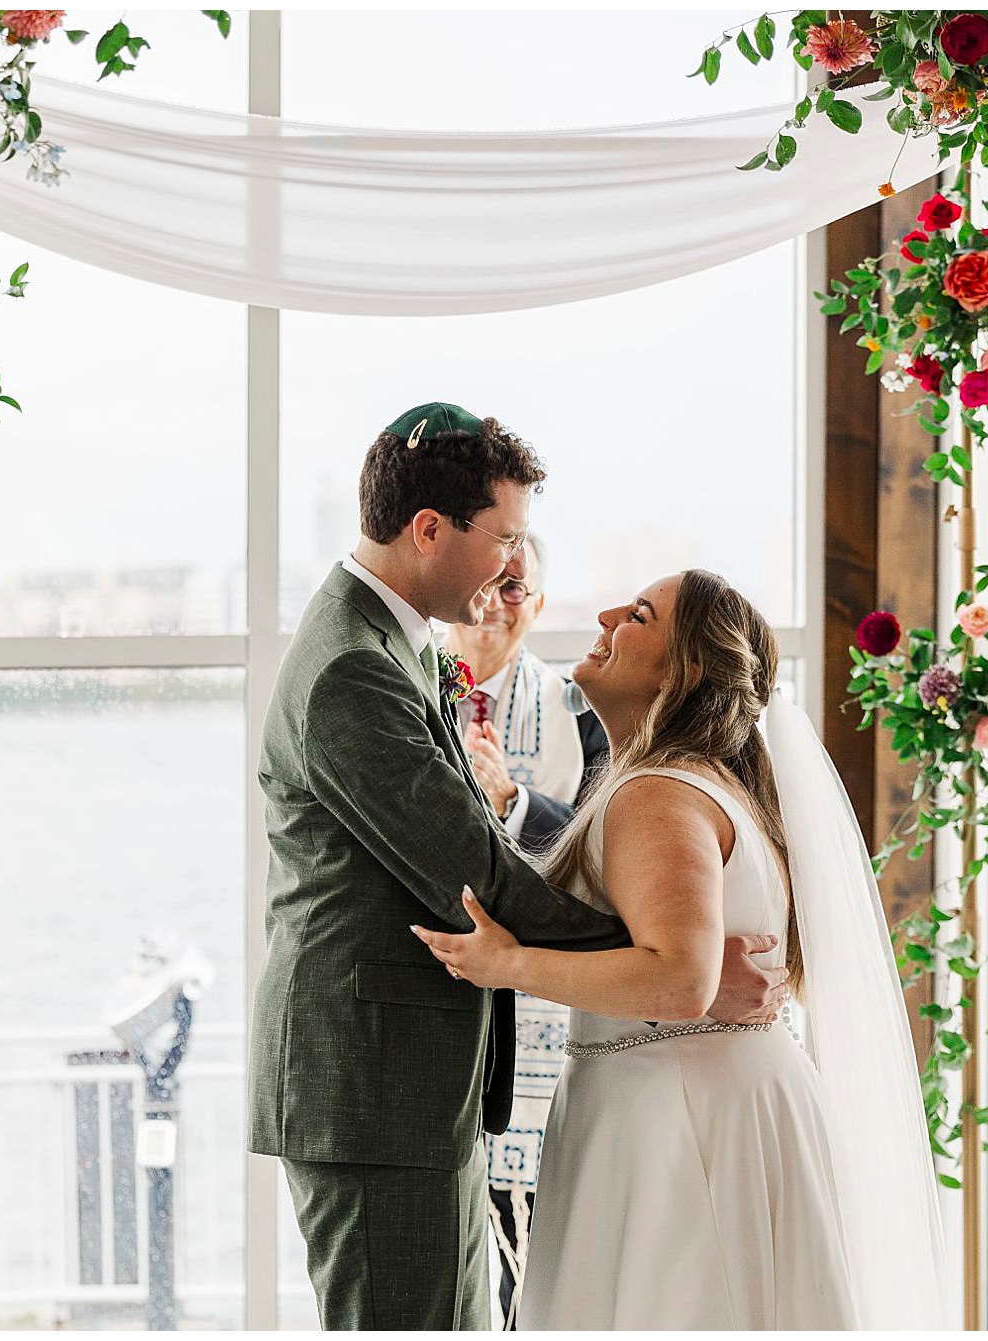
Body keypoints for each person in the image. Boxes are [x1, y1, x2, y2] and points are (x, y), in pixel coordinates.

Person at [250, 408, 790, 1331]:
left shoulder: (396, 643)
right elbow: (477, 880)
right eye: (505, 538)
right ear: (429, 530)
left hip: (418, 1085)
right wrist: (678, 968)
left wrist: (677, 963)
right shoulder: (352, 668)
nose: (514, 567)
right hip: (378, 1086)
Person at [415, 569, 952, 1330]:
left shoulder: (658, 791)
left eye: (636, 614)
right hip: (712, 1100)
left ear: (685, 671)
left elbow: (680, 980)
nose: (604, 613)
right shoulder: (705, 784)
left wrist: (505, 963)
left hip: (677, 1120)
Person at [443, 536, 609, 1328]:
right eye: (490, 581)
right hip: (432, 1007)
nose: (499, 600)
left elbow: (603, 858)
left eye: (519, 589)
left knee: (533, 1260)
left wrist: (512, 800)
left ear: (538, 607)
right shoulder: (410, 691)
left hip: (537, 1018)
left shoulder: (578, 711)